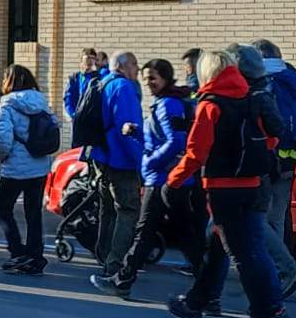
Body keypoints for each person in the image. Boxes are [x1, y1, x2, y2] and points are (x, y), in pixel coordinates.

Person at [163, 46, 285, 318]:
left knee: (244, 254)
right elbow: (272, 136)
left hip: (224, 189)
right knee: (222, 246)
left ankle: (263, 314)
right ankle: (197, 302)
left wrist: (174, 181)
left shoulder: (210, 105)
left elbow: (196, 152)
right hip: (253, 184)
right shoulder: (250, 96)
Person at [96, 58, 200, 299]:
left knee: (152, 231)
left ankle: (123, 280)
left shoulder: (168, 104)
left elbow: (176, 141)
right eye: (145, 79)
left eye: (153, 78)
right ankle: (123, 279)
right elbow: (163, 138)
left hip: (164, 178)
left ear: (166, 78)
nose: (148, 83)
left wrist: (150, 161)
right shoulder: (166, 102)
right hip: (169, 178)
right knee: (167, 233)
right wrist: (138, 132)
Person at [236, 44, 296, 297]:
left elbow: (266, 126)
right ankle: (279, 269)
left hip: (268, 159)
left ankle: (281, 270)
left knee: (258, 220)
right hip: (290, 158)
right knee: (276, 216)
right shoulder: (292, 77)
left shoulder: (262, 84)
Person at [87, 50, 145, 282]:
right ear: (122, 66)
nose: (137, 70)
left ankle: (103, 254)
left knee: (107, 208)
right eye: (134, 64)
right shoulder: (124, 88)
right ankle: (115, 263)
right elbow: (128, 129)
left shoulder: (102, 83)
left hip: (101, 156)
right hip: (121, 158)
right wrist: (139, 161)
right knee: (128, 210)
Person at [0, 64, 55, 275]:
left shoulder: (7, 103)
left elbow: (3, 138)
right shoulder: (41, 101)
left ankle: (17, 251)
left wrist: (2, 158)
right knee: (33, 213)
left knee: (3, 208)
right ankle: (35, 256)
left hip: (15, 167)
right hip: (39, 166)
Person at [62, 48, 108, 126]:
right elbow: (68, 98)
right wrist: (73, 115)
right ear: (82, 59)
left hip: (93, 121)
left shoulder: (99, 77)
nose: (90, 61)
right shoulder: (75, 78)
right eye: (88, 58)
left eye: (93, 58)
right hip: (77, 120)